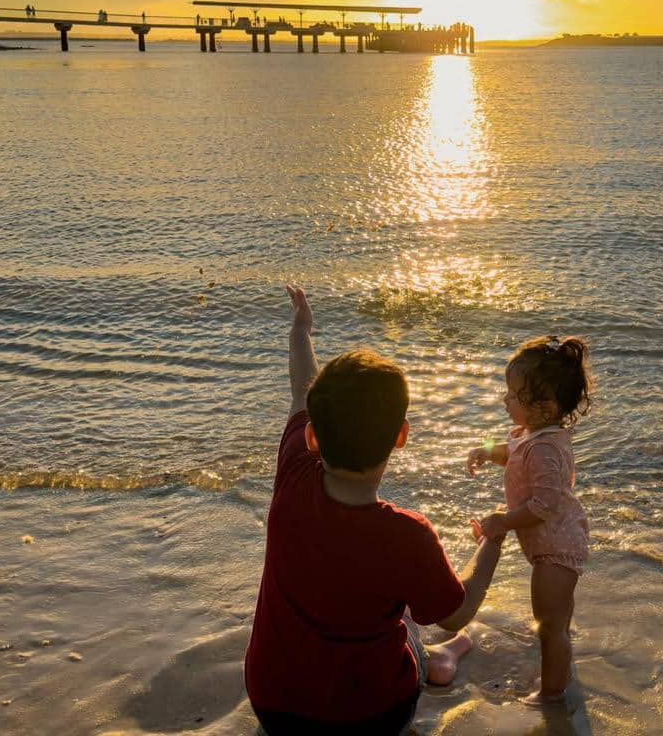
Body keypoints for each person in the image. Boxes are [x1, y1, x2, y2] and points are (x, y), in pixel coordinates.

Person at [246, 285, 505, 735]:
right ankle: (435, 659)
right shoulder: (408, 536)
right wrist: (492, 544)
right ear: (401, 436)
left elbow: (300, 391)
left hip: (274, 705)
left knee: (395, 602)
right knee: (406, 609)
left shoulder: (293, 477)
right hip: (372, 716)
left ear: (312, 438)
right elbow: (456, 612)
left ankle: (433, 656)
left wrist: (301, 328)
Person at [467, 336, 592, 705]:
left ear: (545, 406)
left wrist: (503, 521)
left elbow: (545, 504)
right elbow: (514, 455)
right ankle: (562, 662)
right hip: (554, 542)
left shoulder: (545, 447)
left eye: (514, 395)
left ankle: (552, 694)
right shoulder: (532, 435)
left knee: (549, 625)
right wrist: (488, 452)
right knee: (558, 619)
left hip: (556, 548)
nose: (506, 400)